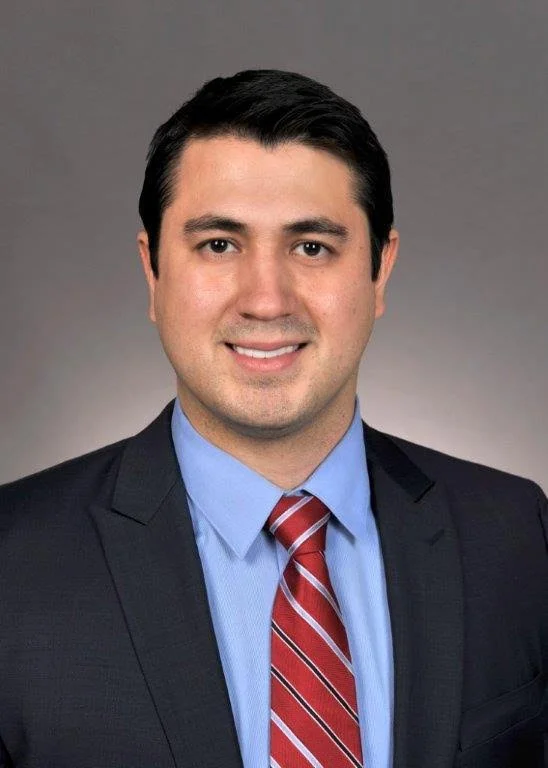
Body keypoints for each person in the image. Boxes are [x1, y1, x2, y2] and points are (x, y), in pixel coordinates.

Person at [0, 69, 546, 768]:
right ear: (153, 272)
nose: (266, 300)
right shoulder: (12, 562)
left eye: (312, 247)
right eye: (219, 245)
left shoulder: (516, 536)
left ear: (380, 270)